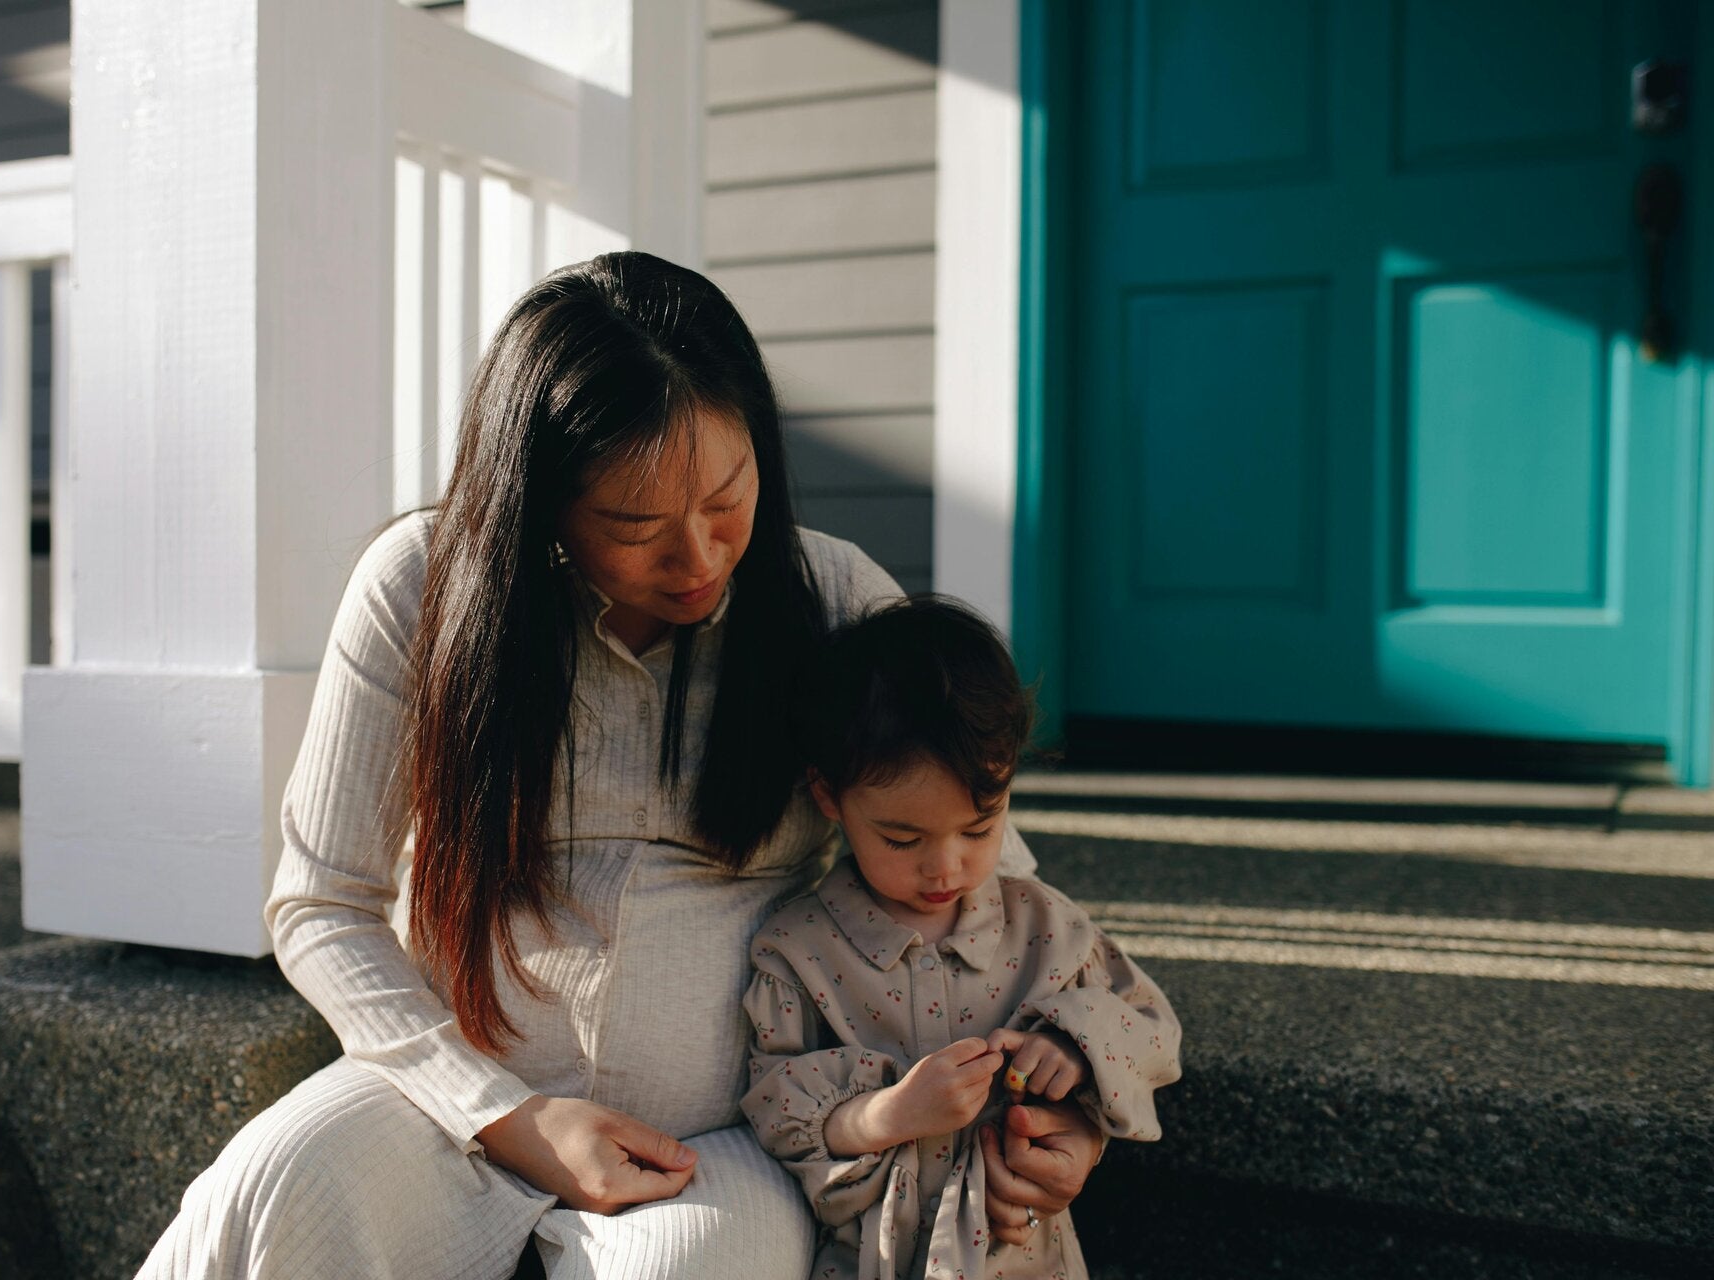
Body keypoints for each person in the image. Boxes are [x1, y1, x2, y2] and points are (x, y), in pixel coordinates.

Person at [136, 252, 1105, 1280]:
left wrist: (1055, 1113)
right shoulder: (418, 591)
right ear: (539, 503)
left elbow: (997, 891)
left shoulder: (831, 600)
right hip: (444, 1094)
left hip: (718, 1132)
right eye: (634, 527)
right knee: (270, 1188)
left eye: (728, 497)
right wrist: (503, 1112)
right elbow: (321, 903)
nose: (698, 558)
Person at [742, 596, 1182, 1280]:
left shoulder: (1047, 927)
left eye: (979, 829)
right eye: (902, 838)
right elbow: (777, 1105)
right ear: (828, 797)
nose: (945, 867)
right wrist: (889, 1115)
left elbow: (1153, 1030)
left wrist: (1071, 1042)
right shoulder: (798, 953)